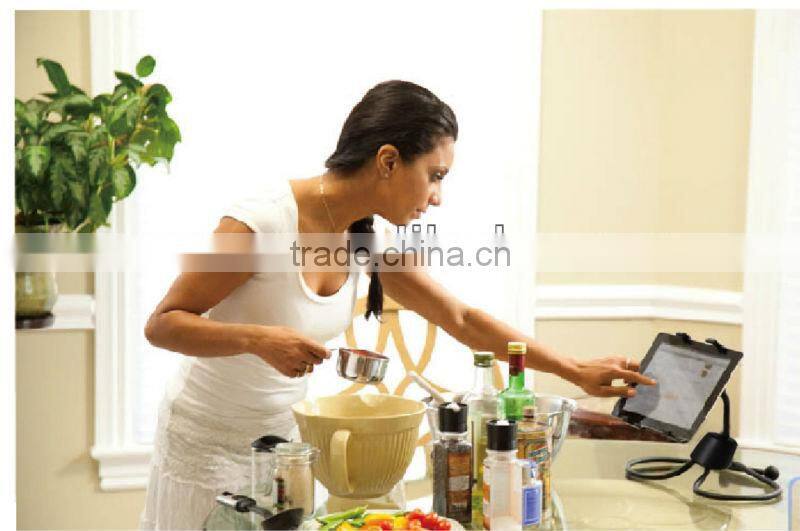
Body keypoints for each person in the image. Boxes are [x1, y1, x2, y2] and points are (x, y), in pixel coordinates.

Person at [139, 80, 655, 529]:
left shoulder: (365, 237)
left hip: (288, 448)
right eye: (435, 175)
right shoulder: (258, 223)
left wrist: (574, 369)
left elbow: (460, 318)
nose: (436, 197)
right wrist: (259, 339)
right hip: (204, 445)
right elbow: (163, 324)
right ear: (388, 160)